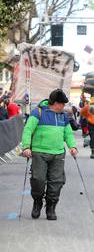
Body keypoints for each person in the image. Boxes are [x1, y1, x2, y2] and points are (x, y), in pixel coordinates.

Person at [21, 89, 77, 220]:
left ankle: (51, 207)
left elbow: (68, 133)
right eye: (62, 104)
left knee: (56, 182)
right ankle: (37, 202)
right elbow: (28, 130)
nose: (64, 106)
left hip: (58, 154)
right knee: (38, 180)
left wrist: (72, 146)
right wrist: (26, 147)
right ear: (55, 103)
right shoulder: (38, 112)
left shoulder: (63, 116)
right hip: (39, 152)